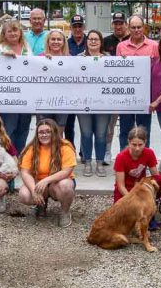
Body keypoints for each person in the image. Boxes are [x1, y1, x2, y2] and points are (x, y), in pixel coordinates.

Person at [18, 119, 76, 227]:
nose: (44, 135)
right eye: (41, 132)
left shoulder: (65, 146)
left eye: (48, 131)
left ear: (54, 132)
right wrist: (33, 190)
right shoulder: (31, 148)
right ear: (37, 134)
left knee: (65, 186)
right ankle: (41, 204)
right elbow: (25, 172)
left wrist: (46, 180)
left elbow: (67, 171)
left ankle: (65, 211)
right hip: (39, 182)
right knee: (24, 195)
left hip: (58, 182)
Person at [116, 15, 158, 150]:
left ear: (144, 27)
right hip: (126, 96)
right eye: (133, 27)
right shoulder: (121, 46)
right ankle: (124, 160)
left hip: (144, 96)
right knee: (125, 130)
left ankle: (144, 161)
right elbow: (116, 71)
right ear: (128, 28)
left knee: (144, 130)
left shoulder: (154, 46)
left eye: (139, 27)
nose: (136, 30)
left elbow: (157, 71)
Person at [0, 20, 33, 153]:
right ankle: (8, 156)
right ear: (4, 34)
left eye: (15, 30)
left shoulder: (26, 47)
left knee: (23, 128)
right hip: (8, 96)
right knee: (9, 129)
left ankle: (19, 155)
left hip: (26, 96)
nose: (13, 33)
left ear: (20, 32)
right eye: (9, 31)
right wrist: (4, 58)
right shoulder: (0, 48)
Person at [77, 29, 110, 177]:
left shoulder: (109, 58)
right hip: (83, 103)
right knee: (86, 133)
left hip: (103, 104)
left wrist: (124, 61)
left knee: (102, 134)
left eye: (96, 39)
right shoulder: (77, 58)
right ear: (86, 41)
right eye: (90, 39)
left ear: (101, 42)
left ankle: (100, 162)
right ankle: (88, 162)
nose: (93, 41)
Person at [103, 11, 130, 164]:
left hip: (127, 88)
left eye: (121, 23)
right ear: (112, 24)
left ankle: (125, 153)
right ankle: (107, 151)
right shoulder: (106, 41)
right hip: (110, 89)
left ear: (126, 24)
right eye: (116, 23)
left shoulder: (131, 40)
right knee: (109, 125)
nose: (119, 26)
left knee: (127, 125)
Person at [113, 126, 159, 203]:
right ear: (129, 142)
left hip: (140, 187)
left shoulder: (149, 153)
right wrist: (132, 199)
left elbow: (156, 176)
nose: (137, 148)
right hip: (125, 189)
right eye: (134, 144)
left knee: (160, 180)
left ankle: (156, 201)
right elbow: (120, 186)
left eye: (140, 145)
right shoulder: (121, 157)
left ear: (145, 142)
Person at [38, 29, 70, 129]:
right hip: (43, 102)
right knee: (43, 130)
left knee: (60, 130)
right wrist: (44, 62)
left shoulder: (70, 59)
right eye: (53, 39)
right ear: (48, 41)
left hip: (63, 102)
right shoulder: (39, 58)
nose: (56, 42)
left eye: (59, 39)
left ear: (64, 42)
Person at [64, 15, 86, 145]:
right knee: (68, 125)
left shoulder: (90, 41)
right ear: (71, 28)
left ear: (83, 27)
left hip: (85, 89)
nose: (77, 29)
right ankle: (70, 150)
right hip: (69, 90)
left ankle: (84, 153)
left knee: (85, 127)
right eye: (75, 26)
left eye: (80, 26)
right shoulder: (65, 44)